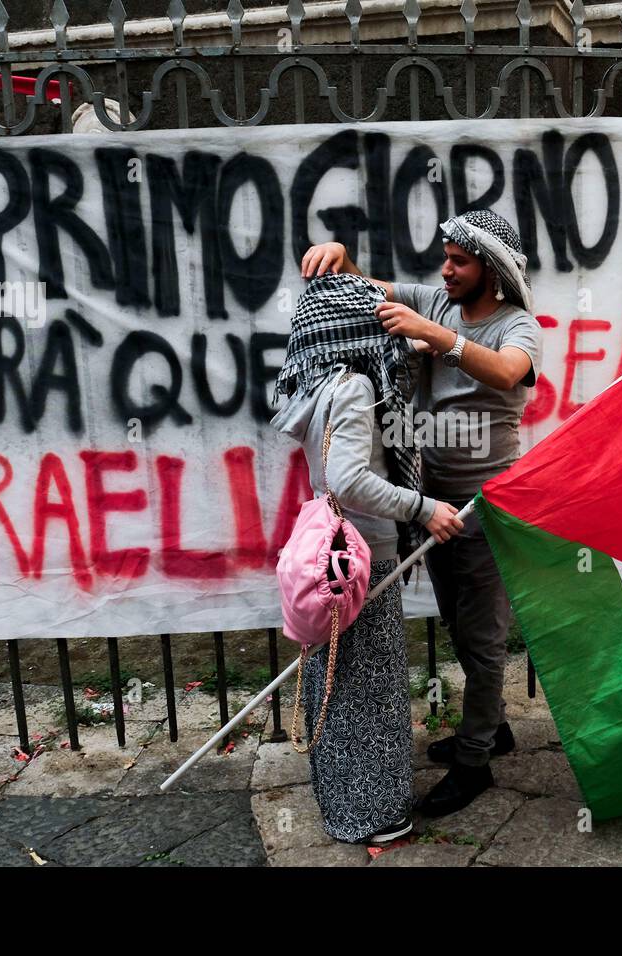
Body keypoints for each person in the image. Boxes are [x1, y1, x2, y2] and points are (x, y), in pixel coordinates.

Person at [300, 209, 542, 818]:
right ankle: (492, 729)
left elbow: (510, 370)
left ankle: (476, 762)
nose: (446, 269)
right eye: (446, 258)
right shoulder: (435, 300)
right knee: (462, 629)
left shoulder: (518, 326)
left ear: (491, 268)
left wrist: (437, 338)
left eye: (459, 261)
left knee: (483, 639)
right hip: (433, 506)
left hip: (488, 506)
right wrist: (339, 254)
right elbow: (364, 286)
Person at [271, 273, 464, 845]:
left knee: (338, 682)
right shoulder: (355, 386)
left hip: (329, 556)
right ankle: (375, 815)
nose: (387, 332)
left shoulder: (317, 383)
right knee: (372, 689)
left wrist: (428, 342)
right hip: (364, 556)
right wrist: (424, 508)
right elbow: (348, 477)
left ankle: (341, 800)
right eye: (375, 321)